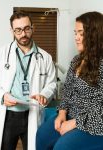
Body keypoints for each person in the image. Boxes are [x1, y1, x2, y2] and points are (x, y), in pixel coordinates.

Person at [0, 11, 56, 150]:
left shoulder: (45, 57)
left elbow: (51, 83)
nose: (23, 34)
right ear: (11, 30)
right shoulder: (0, 54)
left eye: (26, 29)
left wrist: (45, 95)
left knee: (34, 147)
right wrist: (2, 96)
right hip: (8, 115)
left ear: (32, 27)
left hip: (32, 112)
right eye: (18, 30)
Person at [36, 11, 103, 150]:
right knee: (42, 135)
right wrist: (62, 113)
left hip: (94, 122)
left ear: (94, 35)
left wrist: (74, 123)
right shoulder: (76, 61)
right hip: (72, 113)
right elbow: (67, 91)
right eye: (75, 33)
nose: (76, 38)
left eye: (81, 33)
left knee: (62, 147)